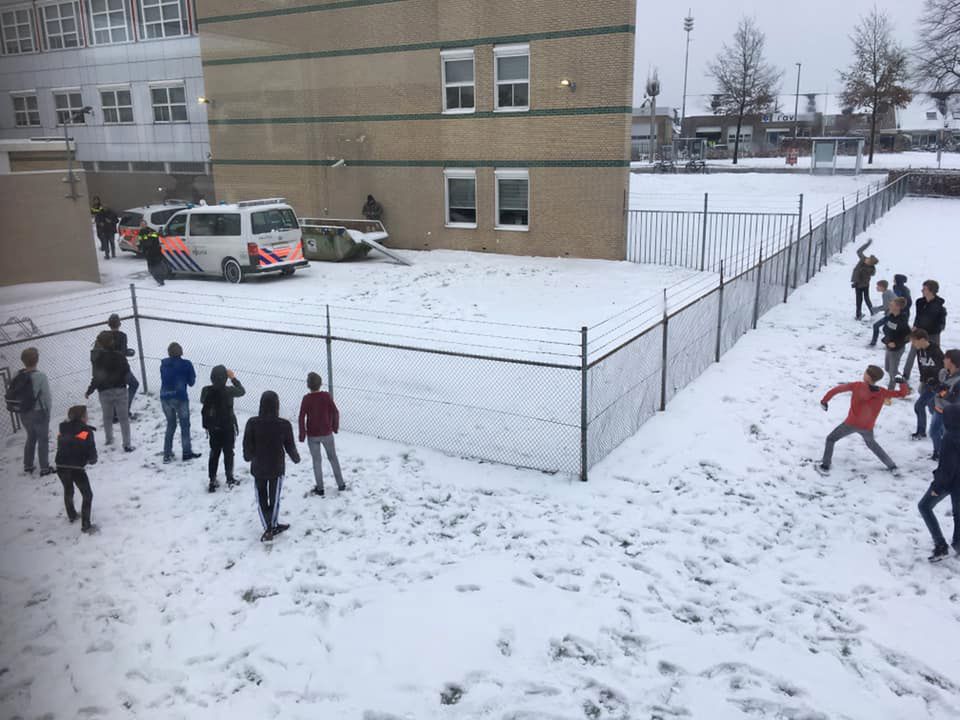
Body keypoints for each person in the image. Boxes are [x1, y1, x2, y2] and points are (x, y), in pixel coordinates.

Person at [819, 365, 907, 473]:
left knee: (831, 439)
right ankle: (892, 466)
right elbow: (901, 394)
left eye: (866, 372)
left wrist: (824, 401)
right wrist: (902, 383)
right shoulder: (882, 392)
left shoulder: (857, 386)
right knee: (872, 445)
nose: (864, 373)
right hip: (867, 427)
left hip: (850, 424)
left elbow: (837, 390)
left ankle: (825, 465)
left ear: (868, 377)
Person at [243, 390, 300, 542]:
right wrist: (296, 458)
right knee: (274, 498)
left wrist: (248, 456)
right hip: (276, 467)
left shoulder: (252, 423)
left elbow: (247, 446)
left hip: (259, 467)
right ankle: (272, 526)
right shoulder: (284, 425)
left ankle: (267, 526)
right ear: (277, 405)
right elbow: (290, 446)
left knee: (261, 496)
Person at [917, 403, 960, 562]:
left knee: (924, 506)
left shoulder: (949, 438)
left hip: (949, 481)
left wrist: (937, 486)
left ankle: (941, 546)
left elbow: (947, 467)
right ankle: (958, 545)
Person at [85, 331, 134, 452]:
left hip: (104, 392)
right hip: (120, 390)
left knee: (107, 417)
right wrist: (127, 382)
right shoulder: (119, 356)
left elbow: (96, 377)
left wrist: (90, 390)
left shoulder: (96, 358)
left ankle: (109, 439)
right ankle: (127, 444)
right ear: (112, 342)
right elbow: (127, 372)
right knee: (123, 419)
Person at [298, 372, 346, 496]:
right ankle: (341, 484)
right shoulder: (326, 396)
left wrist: (302, 434)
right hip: (326, 433)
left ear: (308, 385)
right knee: (333, 458)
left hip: (313, 435)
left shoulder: (306, 399)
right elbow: (335, 412)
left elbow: (301, 416)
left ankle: (320, 488)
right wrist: (334, 427)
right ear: (321, 384)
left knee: (316, 461)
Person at [200, 365, 245, 492]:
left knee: (214, 453)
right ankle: (229, 478)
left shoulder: (206, 391)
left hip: (213, 428)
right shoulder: (229, 391)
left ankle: (212, 480)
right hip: (227, 427)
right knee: (228, 452)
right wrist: (233, 378)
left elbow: (203, 400)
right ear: (225, 379)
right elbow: (242, 391)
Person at [54, 405, 98, 533]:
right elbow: (91, 450)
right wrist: (92, 459)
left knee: (68, 490)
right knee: (87, 494)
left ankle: (72, 514)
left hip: (61, 466)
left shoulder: (62, 429)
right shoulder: (86, 431)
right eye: (86, 415)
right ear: (82, 417)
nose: (87, 417)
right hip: (76, 468)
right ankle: (86, 525)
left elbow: (61, 445)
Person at [13, 347, 53, 475]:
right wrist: (48, 411)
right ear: (37, 360)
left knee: (31, 437)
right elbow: (47, 397)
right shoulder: (41, 376)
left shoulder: (17, 375)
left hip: (24, 412)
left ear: (23, 361)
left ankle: (28, 464)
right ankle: (44, 467)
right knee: (43, 439)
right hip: (39, 412)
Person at [159, 342, 200, 464]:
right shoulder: (186, 364)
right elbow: (191, 382)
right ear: (181, 351)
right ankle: (186, 452)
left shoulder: (163, 365)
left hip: (165, 397)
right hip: (180, 397)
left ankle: (167, 453)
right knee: (185, 425)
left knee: (171, 425)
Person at [903, 280, 948, 380]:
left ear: (931, 291)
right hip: (919, 333)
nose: (922, 290)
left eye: (924, 289)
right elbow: (918, 316)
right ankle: (905, 375)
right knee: (912, 353)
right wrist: (915, 326)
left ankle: (939, 375)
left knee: (935, 355)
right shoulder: (920, 302)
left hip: (933, 334)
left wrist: (937, 330)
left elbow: (941, 322)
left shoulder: (939, 306)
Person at [910, 330, 944, 441]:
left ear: (923, 340)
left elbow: (942, 369)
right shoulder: (919, 351)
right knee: (932, 409)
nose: (913, 344)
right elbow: (921, 366)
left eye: (914, 341)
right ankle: (942, 431)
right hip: (926, 383)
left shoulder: (936, 352)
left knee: (919, 406)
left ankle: (921, 432)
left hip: (935, 385)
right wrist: (923, 379)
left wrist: (935, 381)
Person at [106, 314, 139, 415]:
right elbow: (122, 351)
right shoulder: (122, 336)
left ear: (109, 325)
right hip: (122, 368)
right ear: (119, 324)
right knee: (134, 384)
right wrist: (129, 352)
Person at [930, 349, 960, 461]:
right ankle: (938, 452)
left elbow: (955, 399)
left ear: (951, 361)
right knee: (933, 432)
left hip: (950, 415)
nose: (943, 360)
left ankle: (946, 455)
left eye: (945, 358)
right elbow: (940, 386)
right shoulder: (944, 372)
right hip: (938, 409)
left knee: (949, 437)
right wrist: (934, 385)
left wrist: (941, 391)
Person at [880, 297, 910, 389]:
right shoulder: (890, 316)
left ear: (898, 307)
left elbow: (907, 336)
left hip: (897, 349)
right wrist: (887, 341)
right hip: (889, 347)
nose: (889, 306)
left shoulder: (902, 321)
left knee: (893, 372)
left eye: (891, 305)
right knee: (888, 368)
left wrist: (896, 344)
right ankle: (905, 384)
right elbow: (885, 329)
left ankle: (890, 391)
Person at [851, 239, 878, 320]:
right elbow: (859, 251)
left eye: (868, 261)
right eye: (867, 259)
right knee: (862, 299)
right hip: (861, 284)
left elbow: (860, 275)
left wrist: (855, 282)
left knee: (863, 299)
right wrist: (867, 244)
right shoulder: (864, 259)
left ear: (871, 263)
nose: (866, 260)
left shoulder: (869, 269)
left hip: (861, 284)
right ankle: (862, 313)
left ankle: (867, 312)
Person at [138, 220, 167, 287]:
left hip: (155, 252)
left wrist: (148, 236)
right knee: (151, 268)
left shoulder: (150, 231)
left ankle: (160, 280)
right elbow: (141, 241)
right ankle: (159, 280)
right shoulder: (141, 232)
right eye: (141, 225)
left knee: (156, 267)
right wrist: (140, 247)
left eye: (143, 224)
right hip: (148, 253)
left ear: (146, 224)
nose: (142, 226)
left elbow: (156, 236)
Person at [868, 279, 896, 346]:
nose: (876, 287)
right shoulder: (888, 292)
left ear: (882, 287)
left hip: (891, 314)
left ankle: (874, 342)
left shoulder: (885, 294)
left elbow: (886, 307)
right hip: (893, 314)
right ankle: (888, 341)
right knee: (888, 328)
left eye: (878, 286)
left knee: (877, 326)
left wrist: (877, 309)